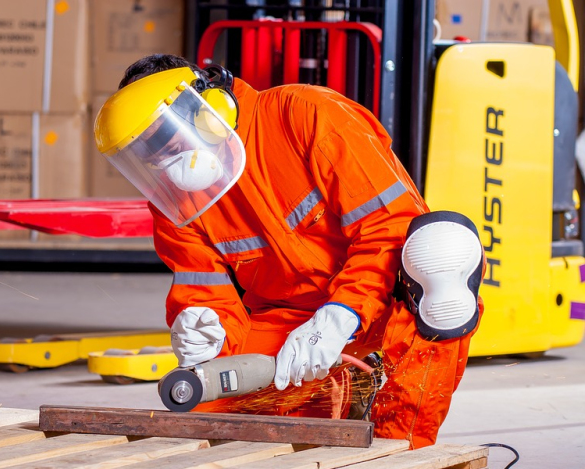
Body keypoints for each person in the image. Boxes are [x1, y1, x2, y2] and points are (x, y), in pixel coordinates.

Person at [93, 54, 485, 449]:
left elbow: (390, 229)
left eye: (163, 138)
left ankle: (398, 449)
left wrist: (341, 314)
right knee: (199, 404)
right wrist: (202, 327)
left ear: (208, 108)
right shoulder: (175, 201)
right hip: (291, 321)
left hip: (384, 297)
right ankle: (348, 385)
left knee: (442, 258)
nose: (161, 160)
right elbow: (203, 288)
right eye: (146, 152)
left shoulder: (308, 114)